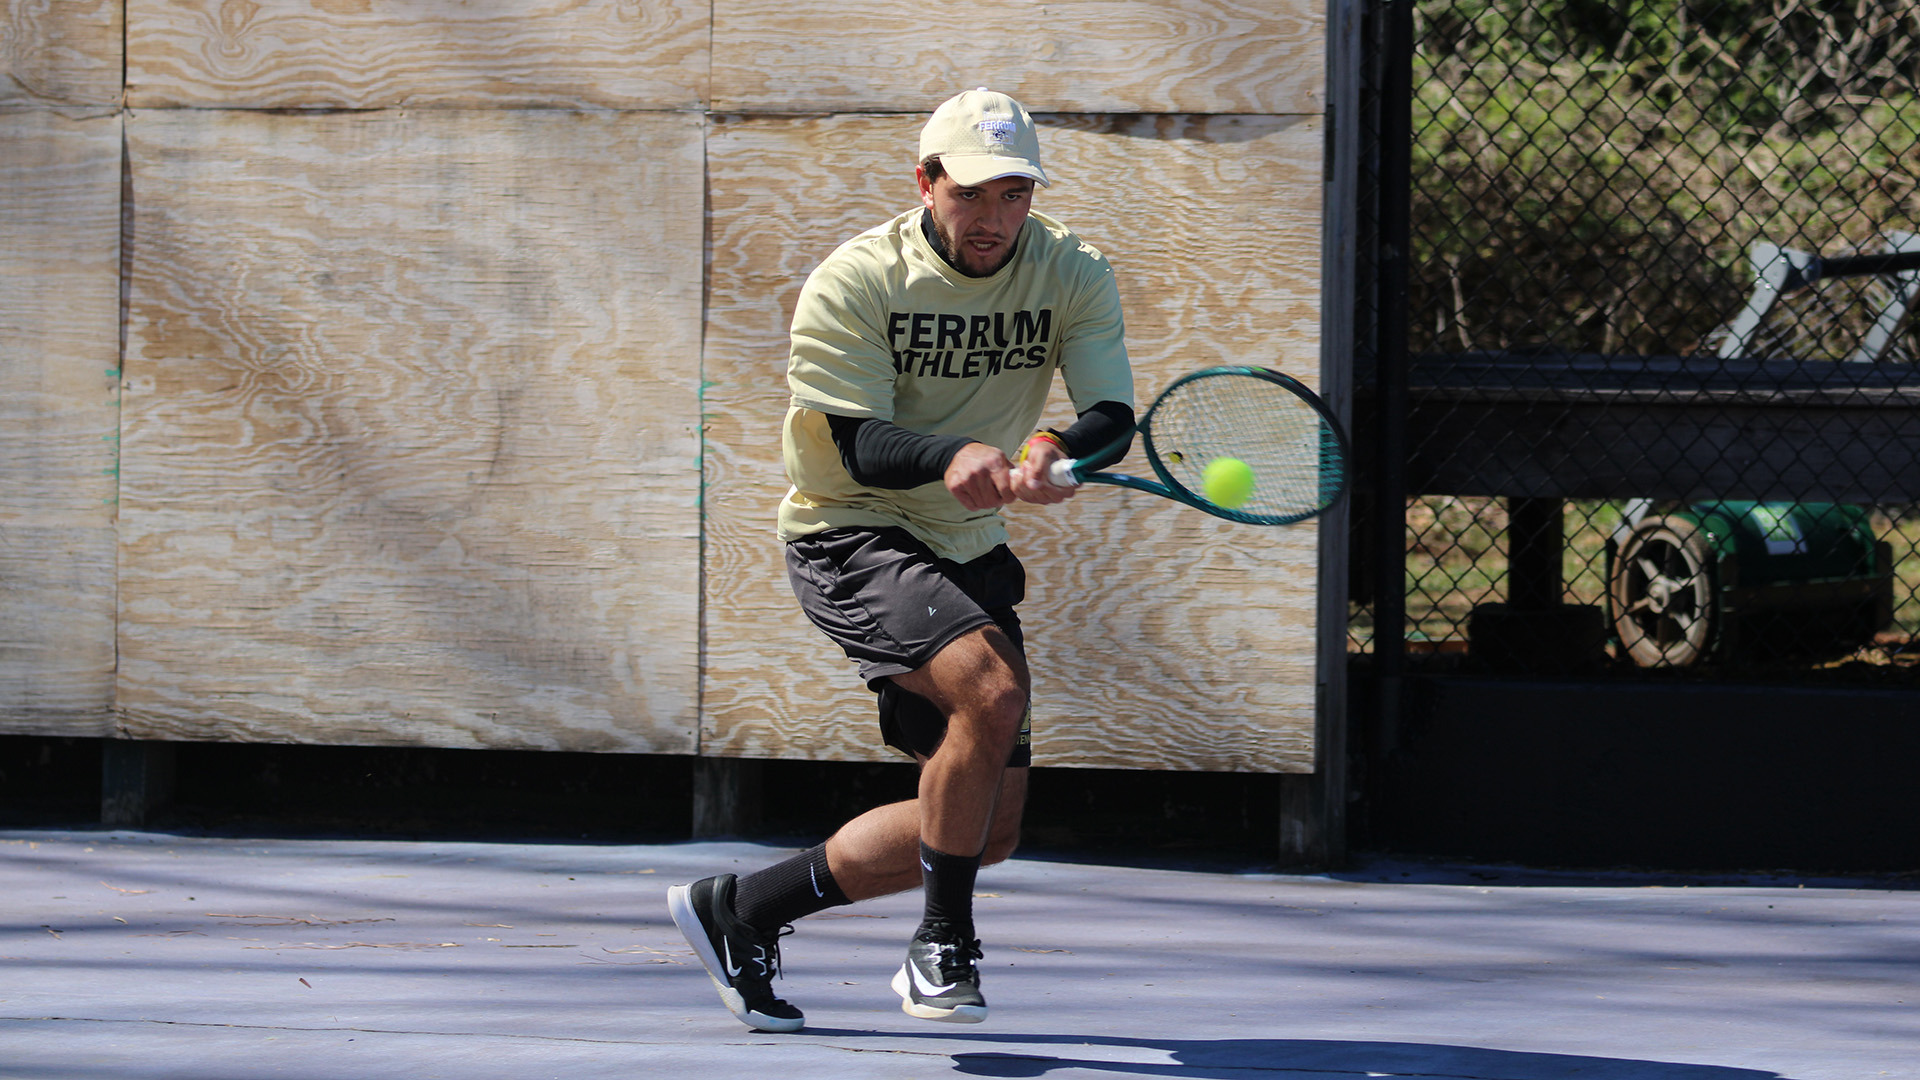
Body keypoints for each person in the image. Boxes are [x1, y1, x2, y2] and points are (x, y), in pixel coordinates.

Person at [668, 87, 1136, 1032]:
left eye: (1015, 194)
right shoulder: (857, 279)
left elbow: (1111, 417)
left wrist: (1054, 448)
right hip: (851, 528)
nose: (995, 219)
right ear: (926, 184)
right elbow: (852, 441)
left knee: (987, 825)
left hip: (968, 546)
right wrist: (950, 454)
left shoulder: (1073, 270)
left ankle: (743, 910)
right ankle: (941, 948)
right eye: (973, 194)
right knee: (992, 693)